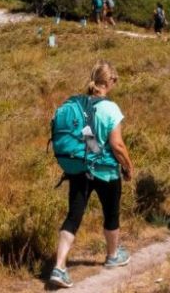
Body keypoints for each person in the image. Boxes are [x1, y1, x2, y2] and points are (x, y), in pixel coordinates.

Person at [49, 60, 135, 289]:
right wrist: (128, 165)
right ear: (109, 82)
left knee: (73, 217)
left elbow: (87, 138)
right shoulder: (111, 108)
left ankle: (59, 267)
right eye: (114, 81)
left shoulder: (80, 104)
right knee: (111, 214)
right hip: (106, 170)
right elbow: (117, 145)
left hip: (80, 168)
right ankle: (112, 256)